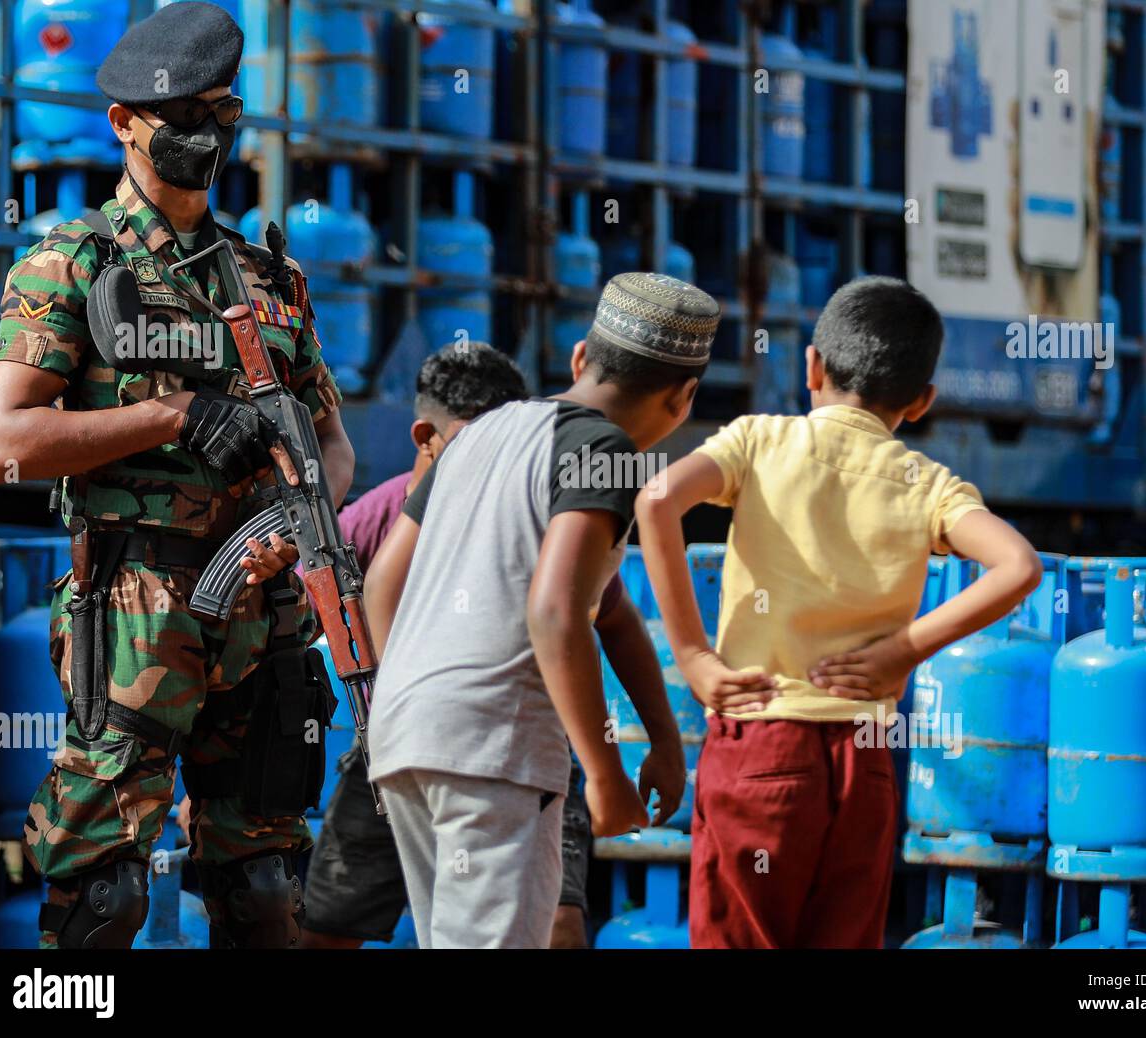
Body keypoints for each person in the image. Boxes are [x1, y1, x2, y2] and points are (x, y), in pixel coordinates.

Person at [0, 2, 353, 948]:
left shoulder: (271, 281)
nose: (202, 137)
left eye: (219, 115)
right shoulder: (72, 261)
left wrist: (290, 530)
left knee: (267, 882)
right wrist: (169, 414)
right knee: (104, 895)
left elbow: (331, 443)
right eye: (179, 118)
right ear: (124, 124)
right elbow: (3, 444)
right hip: (137, 602)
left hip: (263, 612)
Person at [635, 276, 1042, 949]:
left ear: (813, 366)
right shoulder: (928, 484)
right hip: (866, 758)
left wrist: (694, 657)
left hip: (761, 743)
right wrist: (902, 650)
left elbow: (654, 502)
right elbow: (1019, 566)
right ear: (921, 402)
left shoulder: (759, 441)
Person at [362, 272, 712, 948]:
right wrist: (606, 773)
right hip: (494, 751)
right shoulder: (606, 453)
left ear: (581, 358)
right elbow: (556, 612)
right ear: (682, 399)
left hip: (405, 735)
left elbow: (382, 583)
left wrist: (664, 738)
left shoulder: (474, 437)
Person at [300, 342, 604, 949]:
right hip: (396, 739)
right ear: (425, 437)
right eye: (474, 441)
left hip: (517, 739)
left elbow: (590, 615)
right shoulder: (370, 522)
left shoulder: (541, 505)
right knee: (326, 927)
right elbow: (294, 636)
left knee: (559, 924)